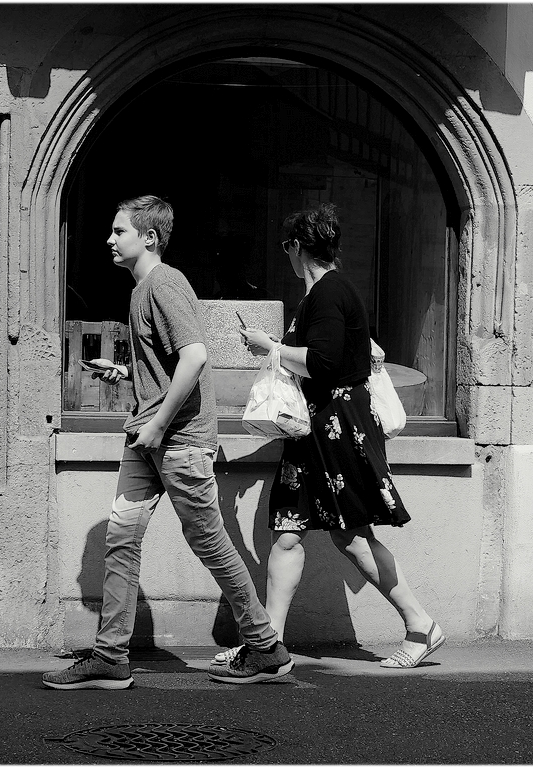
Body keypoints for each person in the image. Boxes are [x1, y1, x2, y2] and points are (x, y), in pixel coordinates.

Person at [42, 195, 293, 690]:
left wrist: (156, 423)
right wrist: (125, 372)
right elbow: (167, 362)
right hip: (149, 439)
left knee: (208, 542)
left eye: (119, 231)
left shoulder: (165, 283)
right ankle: (111, 656)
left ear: (149, 237)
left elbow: (196, 356)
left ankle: (265, 647)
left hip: (177, 440)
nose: (110, 240)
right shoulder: (141, 290)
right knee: (121, 540)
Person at [234, 202, 444, 669]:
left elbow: (325, 363)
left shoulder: (329, 292)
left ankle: (420, 625)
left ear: (296, 247)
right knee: (288, 533)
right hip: (312, 432)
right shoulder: (324, 293)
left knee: (352, 536)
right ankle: (268, 646)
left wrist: (269, 347)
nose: (286, 256)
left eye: (286, 247)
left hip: (335, 429)